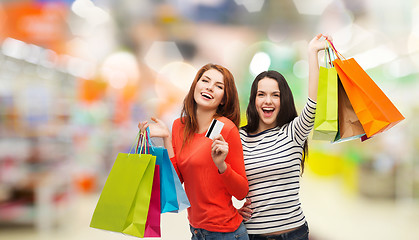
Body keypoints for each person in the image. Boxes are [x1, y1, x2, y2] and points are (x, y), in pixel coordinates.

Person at [138, 63, 249, 240]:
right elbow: (177, 181)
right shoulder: (179, 126)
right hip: (197, 232)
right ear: (195, 85)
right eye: (205, 80)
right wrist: (166, 138)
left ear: (223, 99)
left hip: (227, 233)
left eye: (219, 86)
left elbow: (241, 192)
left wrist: (221, 165)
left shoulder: (225, 129)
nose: (210, 87)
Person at [237, 34, 330, 240]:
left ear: (283, 99)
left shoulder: (294, 132)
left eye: (275, 95)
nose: (268, 100)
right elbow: (218, 181)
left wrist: (312, 52)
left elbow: (313, 103)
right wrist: (231, 212)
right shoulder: (239, 137)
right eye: (261, 94)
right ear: (253, 100)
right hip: (253, 235)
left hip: (294, 234)